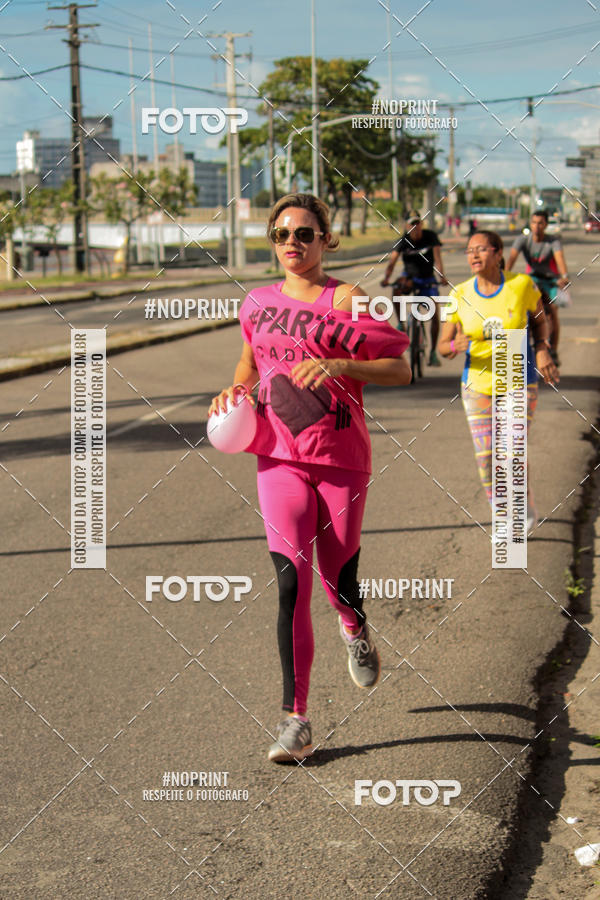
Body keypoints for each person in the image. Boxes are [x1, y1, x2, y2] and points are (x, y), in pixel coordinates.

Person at [208, 193, 411, 763]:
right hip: (278, 456)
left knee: (337, 576)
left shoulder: (348, 300)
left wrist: (342, 364)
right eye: (281, 234)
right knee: (291, 583)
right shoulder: (257, 303)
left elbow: (400, 368)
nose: (292, 243)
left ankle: (354, 627)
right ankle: (295, 720)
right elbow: (250, 361)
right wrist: (235, 391)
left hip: (341, 457)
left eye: (303, 233)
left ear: (326, 239)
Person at [438, 230, 559, 531]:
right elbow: (442, 347)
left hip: (518, 377)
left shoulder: (521, 285)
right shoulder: (458, 294)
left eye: (480, 249)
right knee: (487, 459)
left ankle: (521, 510)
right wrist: (454, 346)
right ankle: (502, 516)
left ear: (498, 253)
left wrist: (542, 348)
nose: (474, 255)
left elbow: (541, 320)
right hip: (476, 384)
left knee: (512, 451)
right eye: (469, 251)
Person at [381, 211, 448, 366]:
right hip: (410, 278)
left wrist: (442, 277)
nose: (415, 227)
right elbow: (392, 262)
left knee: (434, 314)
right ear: (407, 226)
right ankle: (401, 323)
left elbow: (438, 259)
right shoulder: (403, 241)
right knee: (397, 288)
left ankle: (432, 352)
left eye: (417, 223)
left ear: (421, 224)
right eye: (412, 224)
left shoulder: (431, 237)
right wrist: (386, 278)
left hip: (427, 278)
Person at [506, 209, 569, 366]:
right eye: (534, 222)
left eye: (540, 223)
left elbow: (560, 259)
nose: (537, 226)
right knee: (523, 309)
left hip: (550, 280)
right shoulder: (523, 240)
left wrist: (564, 276)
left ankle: (553, 350)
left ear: (546, 225)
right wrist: (503, 277)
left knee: (552, 312)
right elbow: (511, 259)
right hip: (532, 279)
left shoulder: (552, 241)